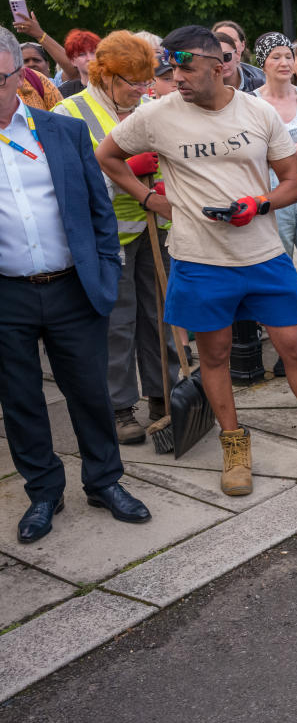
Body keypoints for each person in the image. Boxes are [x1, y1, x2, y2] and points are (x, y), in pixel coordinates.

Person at [97, 25, 297, 496]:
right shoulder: (157, 116)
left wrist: (258, 204)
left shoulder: (258, 111)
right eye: (171, 67)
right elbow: (108, 154)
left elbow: (292, 182)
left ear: (219, 66)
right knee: (214, 356)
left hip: (262, 254)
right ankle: (233, 447)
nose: (175, 76)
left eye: (185, 66)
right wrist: (146, 198)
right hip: (200, 260)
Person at [0, 27, 152, 543]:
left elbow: (98, 207)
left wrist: (107, 268)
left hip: (71, 286)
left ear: (20, 76)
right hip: (8, 294)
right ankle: (44, 491)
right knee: (20, 397)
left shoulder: (57, 131)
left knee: (89, 390)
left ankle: (104, 481)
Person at [51, 30, 178, 444]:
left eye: (146, 82)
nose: (142, 91)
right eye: (132, 83)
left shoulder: (151, 106)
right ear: (104, 75)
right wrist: (126, 171)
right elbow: (74, 185)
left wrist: (161, 179)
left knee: (162, 314)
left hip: (156, 230)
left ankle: (164, 395)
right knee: (117, 322)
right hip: (110, 237)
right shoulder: (71, 112)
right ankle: (121, 407)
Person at [255, 33, 297, 323]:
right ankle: (284, 328)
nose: (284, 62)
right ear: (263, 63)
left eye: (288, 56)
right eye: (275, 57)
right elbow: (254, 152)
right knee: (277, 267)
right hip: (272, 196)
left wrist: (277, 150)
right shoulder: (251, 102)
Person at [212, 21, 266, 92]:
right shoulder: (201, 85)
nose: (227, 45)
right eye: (221, 40)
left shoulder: (262, 80)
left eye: (232, 40)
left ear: (242, 45)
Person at [57, 29, 101, 97]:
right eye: (82, 54)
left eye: (93, 52)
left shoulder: (113, 86)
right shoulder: (64, 91)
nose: (89, 58)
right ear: (73, 61)